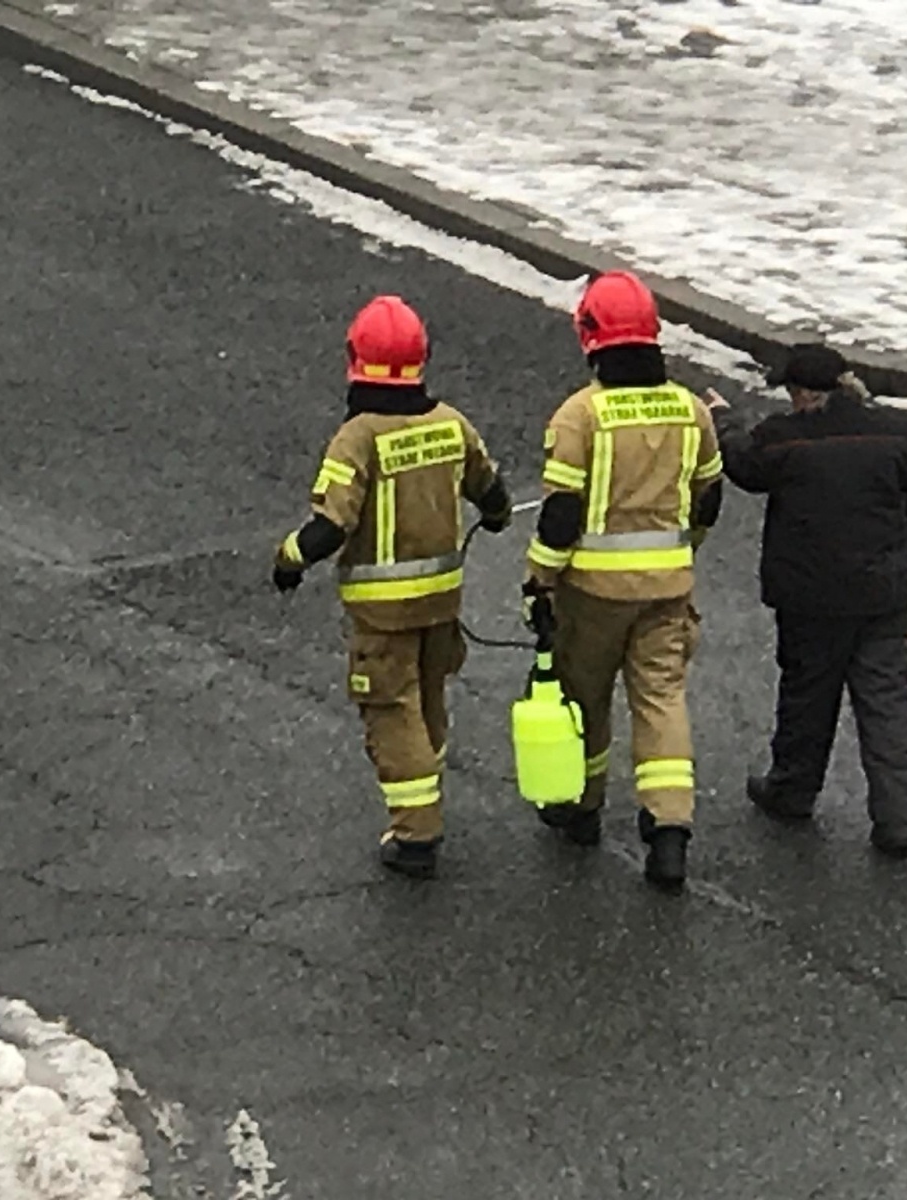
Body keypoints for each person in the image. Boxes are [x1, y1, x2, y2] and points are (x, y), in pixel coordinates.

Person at [272, 295, 513, 879]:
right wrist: (497, 515)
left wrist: (289, 559)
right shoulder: (451, 423)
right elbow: (492, 492)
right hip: (441, 602)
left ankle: (415, 835)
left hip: (383, 615)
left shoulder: (358, 437)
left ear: (355, 360)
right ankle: (427, 802)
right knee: (428, 704)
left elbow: (332, 525)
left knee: (391, 711)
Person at [521, 271, 724, 891]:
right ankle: (669, 831)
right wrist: (684, 551)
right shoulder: (691, 410)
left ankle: (581, 809)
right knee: (661, 700)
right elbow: (709, 497)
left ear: (590, 336)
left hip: (593, 594)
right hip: (668, 589)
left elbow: (561, 515)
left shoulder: (580, 415)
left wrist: (540, 581)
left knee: (586, 700)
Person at [706, 344, 907, 856]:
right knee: (886, 703)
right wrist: (897, 550)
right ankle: (898, 820)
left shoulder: (786, 438)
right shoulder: (900, 432)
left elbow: (744, 465)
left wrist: (722, 418)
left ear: (803, 393)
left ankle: (792, 791)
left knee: (807, 696)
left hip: (809, 596)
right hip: (882, 593)